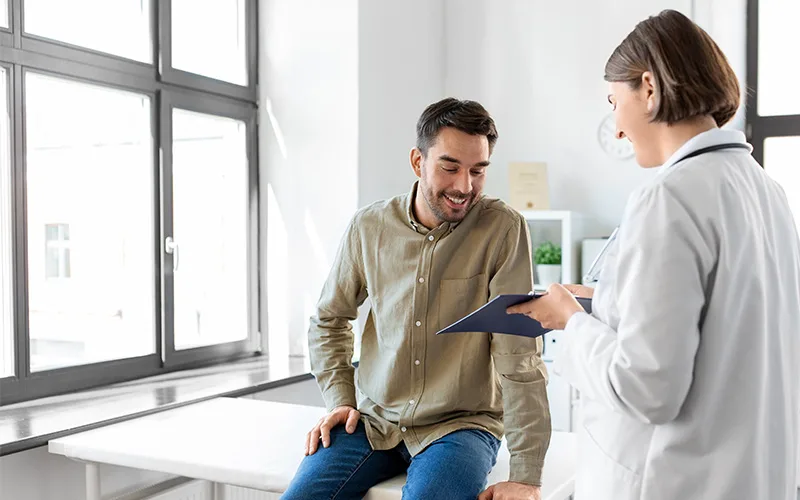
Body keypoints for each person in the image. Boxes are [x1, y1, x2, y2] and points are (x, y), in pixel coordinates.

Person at [500, 9, 800, 500]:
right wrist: (604, 299)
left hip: (677, 483)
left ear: (649, 87)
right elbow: (724, 317)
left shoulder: (670, 197)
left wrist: (570, 322)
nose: (617, 128)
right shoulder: (768, 191)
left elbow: (646, 386)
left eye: (614, 102)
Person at [281, 98, 551, 500]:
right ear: (417, 161)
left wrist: (527, 475)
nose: (464, 186)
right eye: (450, 167)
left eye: (477, 171)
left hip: (460, 427)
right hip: (373, 421)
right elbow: (329, 320)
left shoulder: (504, 229)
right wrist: (340, 399)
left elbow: (519, 354)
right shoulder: (368, 227)